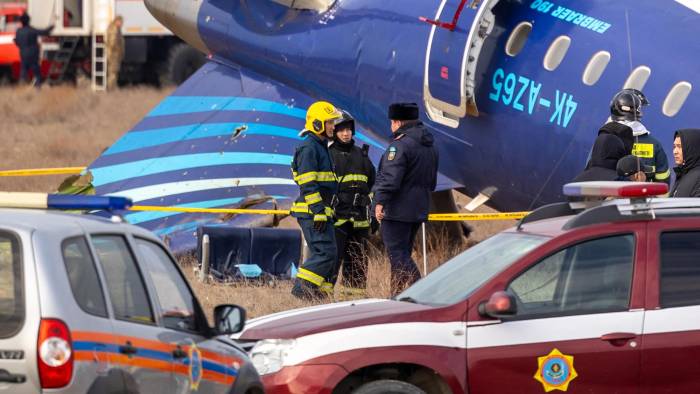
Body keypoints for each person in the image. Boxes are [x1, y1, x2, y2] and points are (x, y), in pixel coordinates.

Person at [373, 103, 438, 296]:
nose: (391, 127)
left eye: (392, 122)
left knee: (398, 255)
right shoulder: (430, 145)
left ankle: (424, 292)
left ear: (398, 122)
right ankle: (398, 297)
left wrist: (379, 201)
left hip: (397, 210)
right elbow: (432, 182)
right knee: (402, 256)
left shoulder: (400, 146)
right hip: (419, 208)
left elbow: (390, 179)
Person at [290, 101, 342, 300]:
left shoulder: (321, 147)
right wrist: (319, 211)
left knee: (329, 254)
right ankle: (300, 293)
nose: (333, 126)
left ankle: (318, 297)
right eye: (329, 122)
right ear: (317, 124)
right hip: (312, 213)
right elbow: (308, 183)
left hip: (320, 212)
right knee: (325, 254)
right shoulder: (309, 148)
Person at [328, 110, 376, 293]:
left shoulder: (362, 156)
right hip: (337, 221)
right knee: (332, 264)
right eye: (341, 130)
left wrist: (372, 214)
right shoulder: (328, 155)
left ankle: (354, 303)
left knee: (358, 266)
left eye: (348, 129)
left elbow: (374, 184)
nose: (346, 133)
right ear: (334, 132)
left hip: (360, 222)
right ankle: (321, 302)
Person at [610, 88, 671, 184]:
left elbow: (595, 172)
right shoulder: (655, 144)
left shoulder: (605, 141)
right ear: (638, 112)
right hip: (644, 197)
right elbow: (663, 181)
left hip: (613, 197)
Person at [14, 13, 53, 86]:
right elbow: (44, 32)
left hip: (23, 55)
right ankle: (37, 89)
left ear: (21, 21)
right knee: (37, 73)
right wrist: (52, 27)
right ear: (28, 21)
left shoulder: (18, 31)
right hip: (33, 55)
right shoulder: (32, 30)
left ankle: (22, 87)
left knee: (23, 73)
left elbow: (17, 42)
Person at [671, 129, 700, 197]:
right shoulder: (683, 173)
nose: (675, 151)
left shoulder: (697, 177)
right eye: (674, 147)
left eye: (679, 147)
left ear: (692, 148)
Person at [106, 16, 125, 90]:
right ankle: (111, 87)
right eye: (121, 22)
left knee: (114, 71)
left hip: (115, 54)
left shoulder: (116, 29)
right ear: (117, 21)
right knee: (113, 71)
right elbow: (112, 43)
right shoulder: (114, 29)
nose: (121, 24)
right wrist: (117, 51)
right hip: (113, 54)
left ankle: (113, 86)